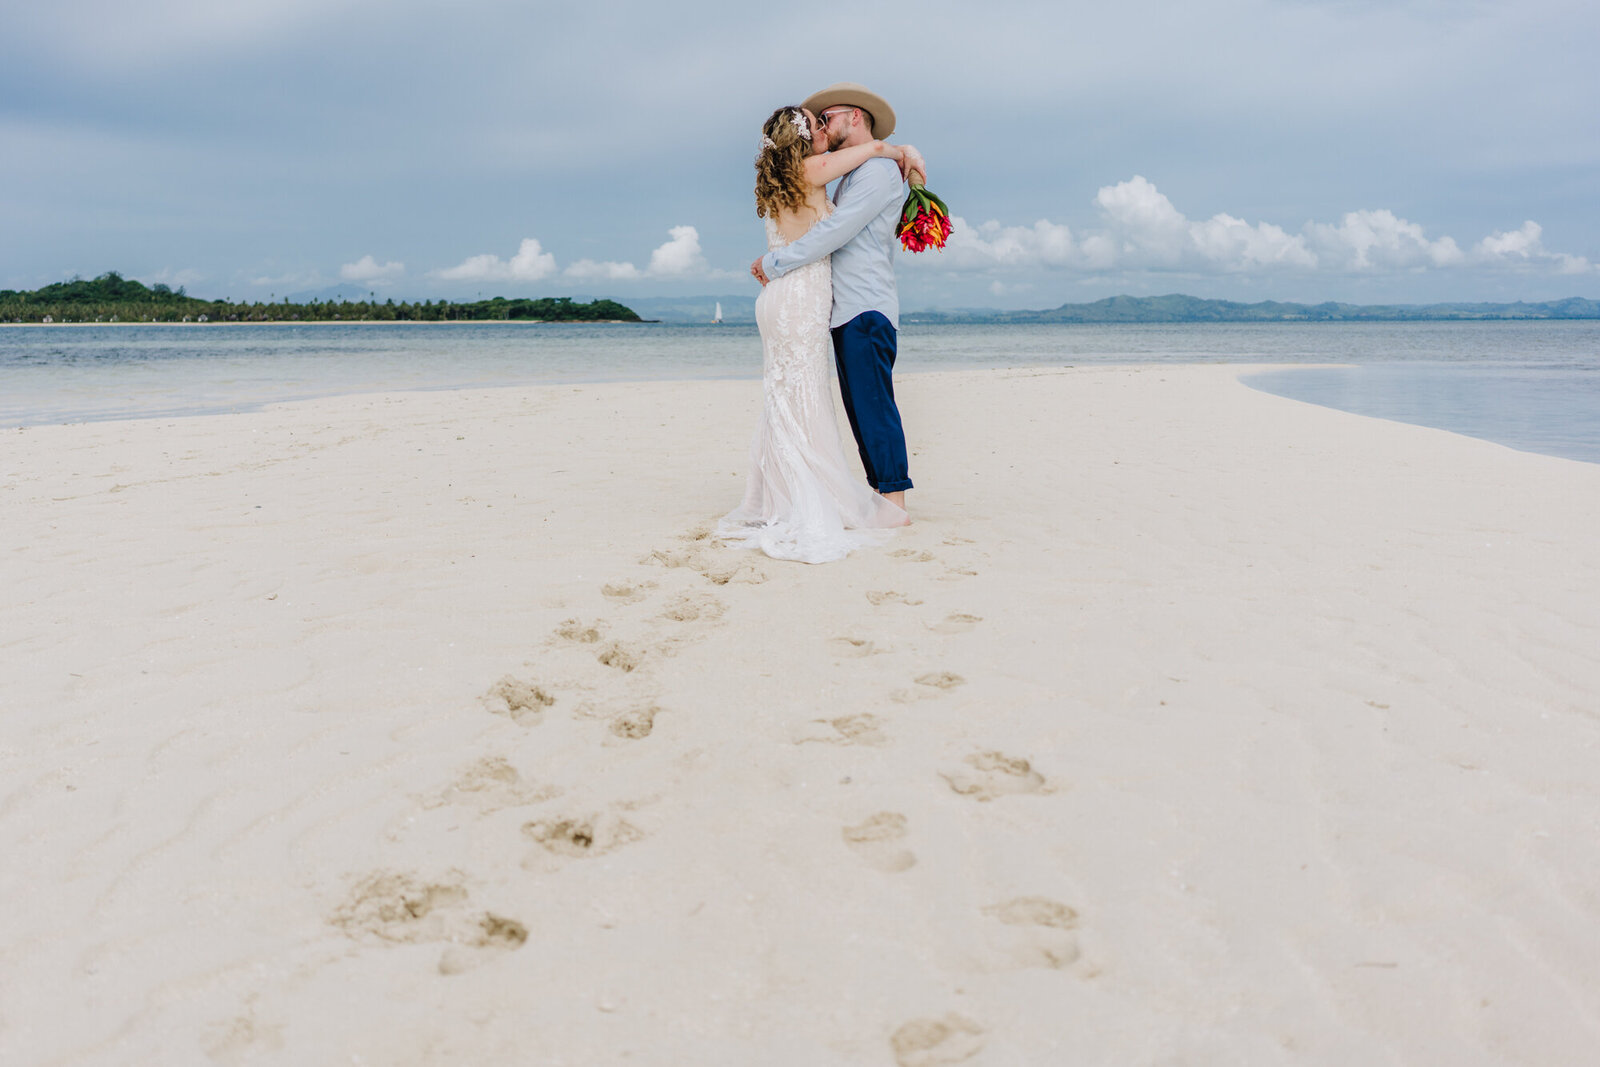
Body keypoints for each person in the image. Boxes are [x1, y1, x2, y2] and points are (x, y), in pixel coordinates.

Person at [716, 103, 923, 564]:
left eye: (827, 117)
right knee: (812, 399)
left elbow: (838, 228)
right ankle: (810, 497)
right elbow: (833, 224)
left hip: (849, 303)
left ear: (853, 116)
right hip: (810, 301)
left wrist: (902, 155)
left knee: (838, 401)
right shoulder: (829, 170)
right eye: (816, 123)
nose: (824, 126)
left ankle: (890, 501)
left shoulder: (856, 172)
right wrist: (902, 150)